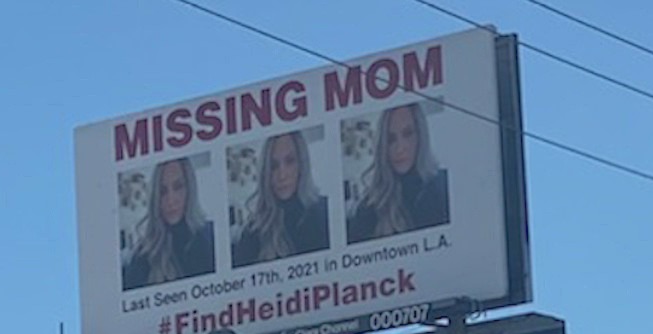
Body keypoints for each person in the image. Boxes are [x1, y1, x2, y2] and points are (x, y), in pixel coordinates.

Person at [347, 102, 451, 244]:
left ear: (421, 135)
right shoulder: (369, 208)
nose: (399, 148)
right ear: (382, 145)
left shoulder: (446, 186)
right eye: (391, 139)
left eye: (408, 134)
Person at [231, 131, 331, 268]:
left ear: (302, 164)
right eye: (273, 166)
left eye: (290, 161)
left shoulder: (327, 212)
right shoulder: (252, 233)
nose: (282, 175)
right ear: (265, 172)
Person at [121, 157, 216, 290]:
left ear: (190, 188)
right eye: (163, 191)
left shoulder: (212, 237)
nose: (171, 200)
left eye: (178, 187)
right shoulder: (143, 257)